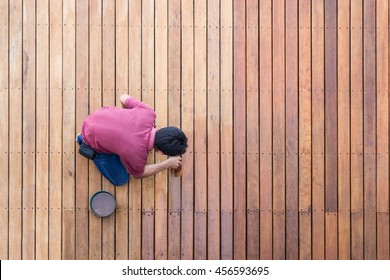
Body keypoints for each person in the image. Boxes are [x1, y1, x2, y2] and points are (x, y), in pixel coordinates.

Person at [76, 94, 188, 186]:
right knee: (121, 179)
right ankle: (82, 139)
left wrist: (127, 120)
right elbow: (138, 174)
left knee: (122, 149)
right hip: (89, 137)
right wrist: (166, 164)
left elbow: (123, 97)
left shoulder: (149, 113)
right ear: (161, 152)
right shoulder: (136, 154)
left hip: (96, 116)